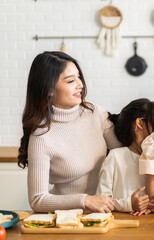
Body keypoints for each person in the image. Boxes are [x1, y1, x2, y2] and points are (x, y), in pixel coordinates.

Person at [18, 51, 121, 213]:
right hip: (67, 218)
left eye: (79, 77)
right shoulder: (41, 136)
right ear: (49, 89)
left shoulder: (95, 113)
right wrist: (85, 200)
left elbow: (124, 155)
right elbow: (37, 200)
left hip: (107, 213)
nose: (80, 84)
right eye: (71, 80)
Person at [96, 98, 154, 215]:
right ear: (140, 123)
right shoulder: (115, 157)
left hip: (153, 226)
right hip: (122, 226)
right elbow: (101, 199)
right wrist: (129, 204)